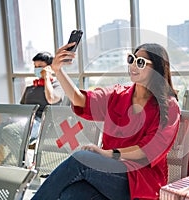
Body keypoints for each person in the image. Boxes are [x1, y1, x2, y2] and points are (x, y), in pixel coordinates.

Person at [32, 43, 180, 200]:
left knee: (80, 159)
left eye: (140, 62)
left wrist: (108, 154)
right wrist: (58, 71)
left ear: (156, 69)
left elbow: (148, 151)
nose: (133, 66)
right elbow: (80, 100)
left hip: (139, 181)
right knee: (71, 194)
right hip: (107, 175)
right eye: (132, 59)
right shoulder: (117, 95)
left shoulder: (169, 106)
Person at [20, 52, 64, 145]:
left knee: (11, 132)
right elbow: (21, 108)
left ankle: (22, 159)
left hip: (42, 123)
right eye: (35, 66)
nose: (37, 69)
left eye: (40, 66)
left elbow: (51, 99)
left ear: (50, 67)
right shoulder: (30, 88)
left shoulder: (58, 86)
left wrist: (47, 77)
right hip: (25, 121)